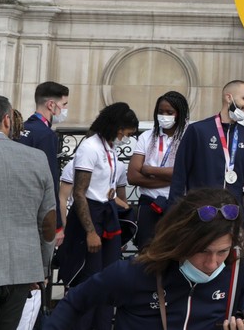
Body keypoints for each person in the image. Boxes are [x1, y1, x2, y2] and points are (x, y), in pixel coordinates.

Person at [48, 187, 244, 330]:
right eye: (203, 251)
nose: (213, 264)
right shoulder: (133, 273)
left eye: (222, 251)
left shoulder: (236, 268)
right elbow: (75, 302)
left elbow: (235, 315)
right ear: (181, 242)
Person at [59, 102, 138, 330]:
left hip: (107, 212)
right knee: (89, 280)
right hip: (90, 218)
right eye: (125, 132)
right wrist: (91, 232)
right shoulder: (90, 147)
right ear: (116, 126)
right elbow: (80, 193)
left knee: (109, 279)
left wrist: (111, 193)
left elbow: (102, 186)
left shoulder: (109, 147)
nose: (125, 137)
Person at [170, 80, 244, 261]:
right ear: (228, 97)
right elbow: (179, 179)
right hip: (200, 218)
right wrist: (173, 221)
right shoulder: (198, 131)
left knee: (233, 277)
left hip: (234, 221)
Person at [0, 95, 57, 330]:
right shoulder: (36, 158)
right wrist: (41, 267)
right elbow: (48, 221)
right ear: (7, 120)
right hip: (21, 268)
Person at [128, 90, 189, 248]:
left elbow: (187, 173)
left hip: (178, 205)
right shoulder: (146, 137)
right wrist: (173, 178)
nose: (164, 116)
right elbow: (133, 176)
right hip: (149, 204)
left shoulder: (189, 137)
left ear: (180, 114)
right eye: (160, 112)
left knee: (175, 253)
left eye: (169, 112)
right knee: (146, 252)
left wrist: (149, 170)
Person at [20, 81, 68, 237]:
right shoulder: (46, 135)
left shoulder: (20, 128)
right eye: (64, 104)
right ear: (51, 105)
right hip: (36, 209)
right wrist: (57, 225)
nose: (65, 110)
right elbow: (51, 179)